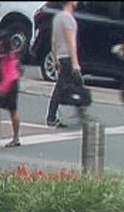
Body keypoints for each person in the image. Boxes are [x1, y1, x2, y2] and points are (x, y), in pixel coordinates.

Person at [45, 0, 86, 128]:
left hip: (61, 57)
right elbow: (71, 42)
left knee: (67, 86)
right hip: (68, 57)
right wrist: (75, 63)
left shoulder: (58, 18)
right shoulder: (68, 19)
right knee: (65, 87)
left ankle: (79, 115)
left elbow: (54, 40)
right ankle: (52, 117)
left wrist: (55, 57)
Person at [0, 31, 22, 147]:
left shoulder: (10, 57)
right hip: (1, 83)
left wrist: (1, 89)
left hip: (10, 85)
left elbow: (11, 76)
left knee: (12, 111)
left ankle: (16, 137)